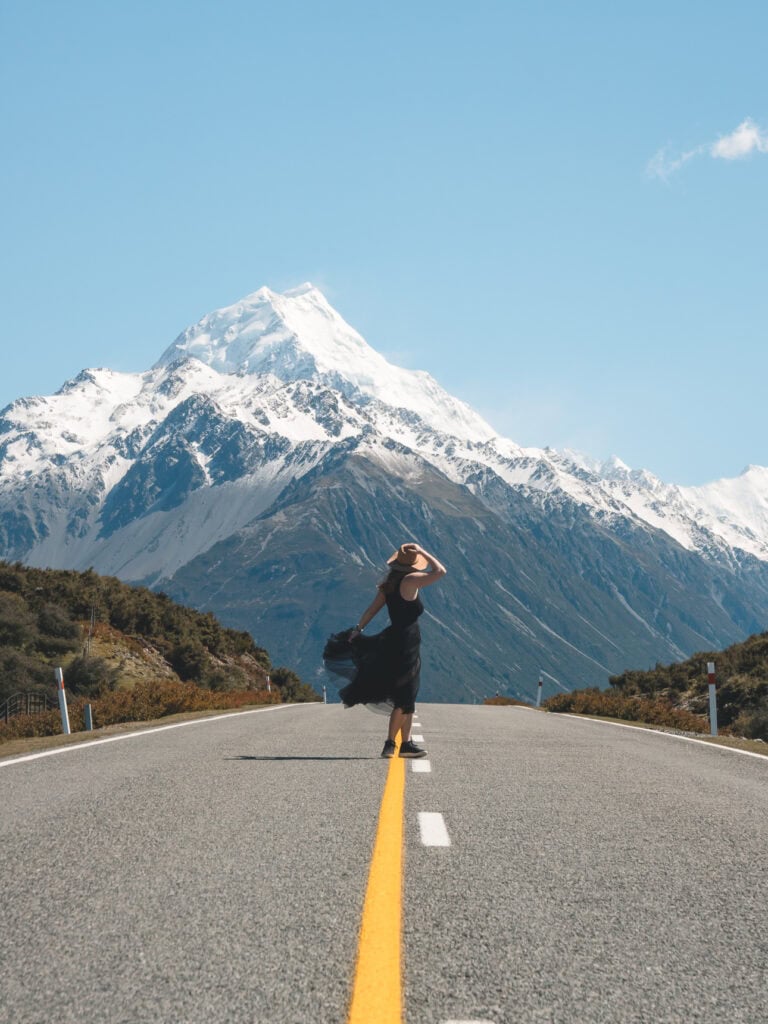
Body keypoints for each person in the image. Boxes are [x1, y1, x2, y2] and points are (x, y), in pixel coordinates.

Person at [323, 542, 447, 758]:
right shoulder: (411, 580)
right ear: (413, 565)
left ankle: (406, 744)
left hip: (393, 640)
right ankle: (390, 744)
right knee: (405, 695)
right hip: (406, 644)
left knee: (408, 694)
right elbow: (440, 571)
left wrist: (358, 629)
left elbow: (371, 610)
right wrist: (422, 551)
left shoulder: (389, 584)